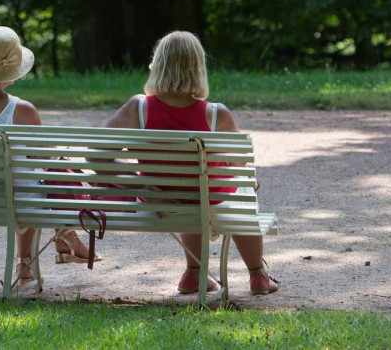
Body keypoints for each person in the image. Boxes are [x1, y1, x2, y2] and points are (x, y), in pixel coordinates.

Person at [105, 30, 280, 296]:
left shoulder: (136, 108)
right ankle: (257, 275)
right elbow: (240, 161)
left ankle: (194, 273)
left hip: (159, 199)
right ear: (199, 68)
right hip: (208, 200)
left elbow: (97, 155)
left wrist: (139, 183)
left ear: (158, 65)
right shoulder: (216, 114)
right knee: (243, 186)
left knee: (194, 192)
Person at [0, 25, 92, 285]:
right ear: (12, 70)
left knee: (23, 181)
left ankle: (65, 238)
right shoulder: (22, 110)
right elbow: (45, 162)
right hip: (12, 202)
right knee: (34, 181)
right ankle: (39, 254)